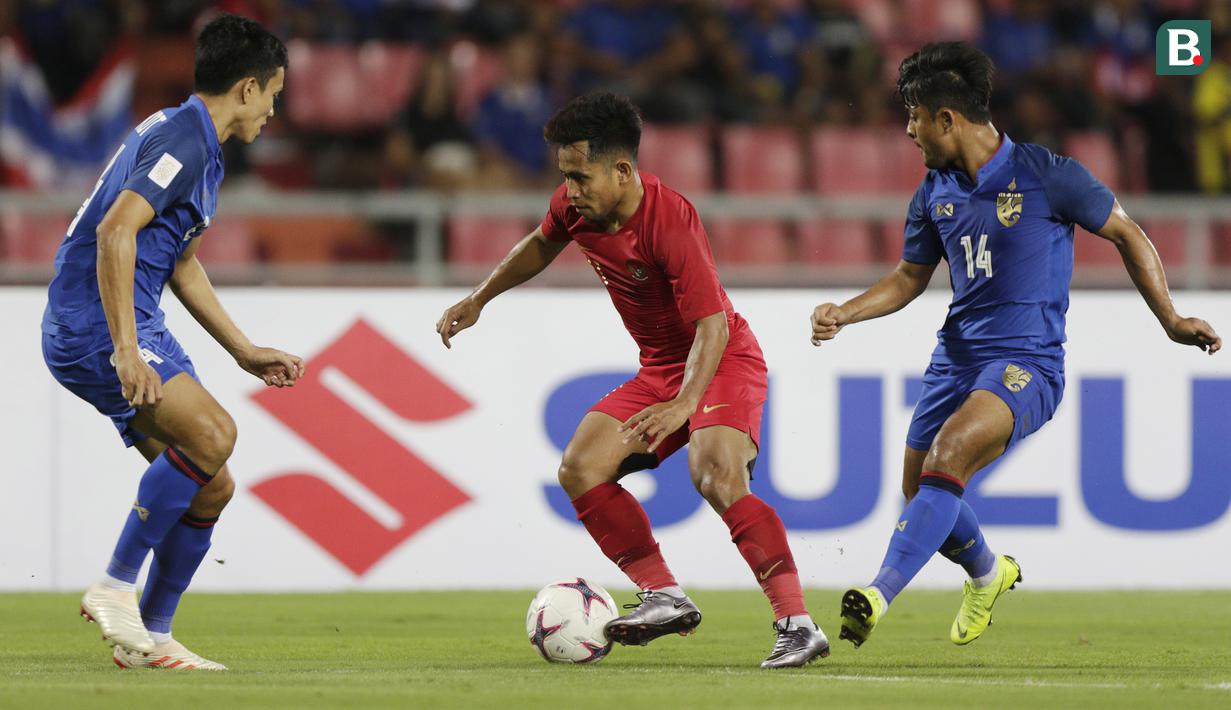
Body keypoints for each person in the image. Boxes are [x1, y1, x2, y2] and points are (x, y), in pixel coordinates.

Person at [810, 42, 1222, 649]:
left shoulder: (1047, 175)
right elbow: (908, 277)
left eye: (914, 116)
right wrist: (846, 312)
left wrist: (1170, 319)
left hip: (1027, 362)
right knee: (918, 487)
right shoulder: (933, 192)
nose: (908, 129)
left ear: (946, 119)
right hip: (955, 358)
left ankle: (877, 594)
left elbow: (1128, 234)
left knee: (947, 456)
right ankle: (987, 572)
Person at [437, 92, 829, 668]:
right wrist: (480, 298)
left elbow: (713, 327)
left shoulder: (670, 218)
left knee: (715, 473)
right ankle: (664, 595)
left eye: (581, 176)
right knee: (580, 468)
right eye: (565, 176)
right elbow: (541, 243)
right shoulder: (576, 208)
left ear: (623, 170)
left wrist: (684, 406)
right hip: (663, 368)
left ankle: (797, 624)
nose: (571, 190)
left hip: (720, 359)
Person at [41, 14, 303, 670]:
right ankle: (113, 587)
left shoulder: (193, 140)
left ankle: (151, 638)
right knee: (213, 435)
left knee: (210, 485)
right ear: (247, 88)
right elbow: (115, 232)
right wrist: (126, 349)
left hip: (126, 319)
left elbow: (180, 260)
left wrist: (241, 348)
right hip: (98, 322)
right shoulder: (185, 141)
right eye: (273, 91)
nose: (275, 107)